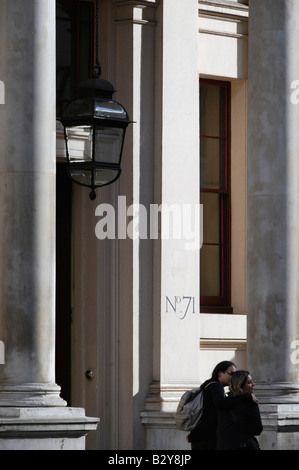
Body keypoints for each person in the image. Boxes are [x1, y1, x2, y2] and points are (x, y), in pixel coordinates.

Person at [187, 361, 255, 450]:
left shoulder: (209, 384)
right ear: (220, 373)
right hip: (206, 438)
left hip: (202, 435)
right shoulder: (216, 386)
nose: (233, 377)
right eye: (231, 374)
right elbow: (221, 404)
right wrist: (247, 396)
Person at [216, 370, 263, 450]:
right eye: (249, 382)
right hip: (242, 445)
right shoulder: (250, 403)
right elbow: (257, 429)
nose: (253, 384)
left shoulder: (225, 402)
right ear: (240, 385)